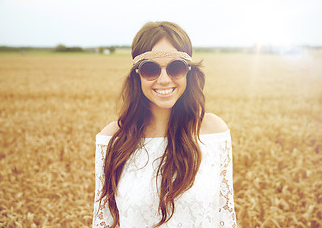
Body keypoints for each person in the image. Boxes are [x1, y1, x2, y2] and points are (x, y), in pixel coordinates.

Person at [93, 21, 237, 228]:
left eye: (175, 68)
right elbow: (104, 221)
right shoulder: (111, 139)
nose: (163, 79)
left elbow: (225, 216)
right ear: (137, 74)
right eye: (150, 69)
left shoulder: (213, 132)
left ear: (188, 71)